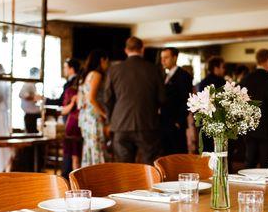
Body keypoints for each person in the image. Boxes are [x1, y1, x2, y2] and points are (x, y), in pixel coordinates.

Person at [105, 36, 165, 165]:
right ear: (142, 49)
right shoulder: (154, 69)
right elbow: (162, 98)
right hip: (147, 123)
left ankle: (129, 186)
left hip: (120, 125)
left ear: (126, 50)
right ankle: (149, 186)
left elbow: (108, 99)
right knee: (150, 166)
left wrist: (110, 122)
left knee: (125, 167)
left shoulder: (114, 70)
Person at [240, 48, 268, 168]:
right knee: (267, 165)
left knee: (249, 164)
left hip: (249, 128)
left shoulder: (244, 80)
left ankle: (247, 186)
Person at [78, 50, 109, 166]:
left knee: (90, 148)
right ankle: (99, 178)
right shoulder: (97, 75)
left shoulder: (87, 75)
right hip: (94, 116)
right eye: (107, 61)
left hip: (86, 117)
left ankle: (90, 178)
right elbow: (91, 98)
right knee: (98, 147)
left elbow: (81, 101)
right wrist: (104, 114)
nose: (107, 65)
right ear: (102, 60)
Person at [160, 47, 193, 155]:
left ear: (175, 58)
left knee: (178, 155)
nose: (163, 61)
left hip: (176, 123)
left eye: (166, 58)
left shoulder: (184, 75)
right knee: (165, 155)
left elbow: (187, 100)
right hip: (163, 122)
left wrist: (179, 121)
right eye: (162, 58)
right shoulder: (163, 75)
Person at [60, 58, 82, 176]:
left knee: (75, 158)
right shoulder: (71, 90)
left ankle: (73, 182)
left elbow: (63, 110)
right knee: (74, 157)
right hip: (74, 126)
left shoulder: (70, 88)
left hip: (75, 126)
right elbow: (64, 109)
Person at [19, 67, 42, 133]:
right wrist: (35, 98)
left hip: (31, 112)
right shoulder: (29, 84)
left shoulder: (32, 84)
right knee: (31, 132)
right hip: (30, 112)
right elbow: (22, 95)